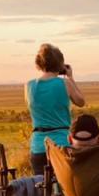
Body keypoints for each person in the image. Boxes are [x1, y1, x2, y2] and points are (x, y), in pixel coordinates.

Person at [25, 43, 86, 175]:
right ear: (60, 63)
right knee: (65, 188)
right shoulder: (64, 83)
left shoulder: (29, 86)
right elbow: (81, 101)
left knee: (42, 187)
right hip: (61, 144)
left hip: (38, 145)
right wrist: (70, 77)